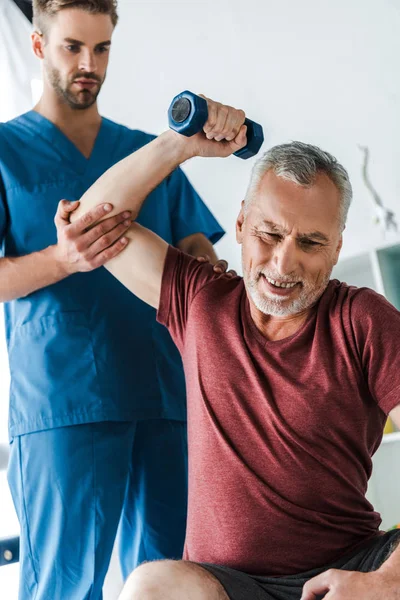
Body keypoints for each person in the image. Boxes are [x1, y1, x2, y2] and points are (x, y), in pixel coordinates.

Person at [68, 97, 400, 600]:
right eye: (269, 234)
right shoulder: (201, 301)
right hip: (225, 585)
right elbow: (89, 223)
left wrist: (384, 583)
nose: (284, 264)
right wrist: (180, 144)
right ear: (241, 224)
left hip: (349, 568)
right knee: (149, 586)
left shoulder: (362, 320)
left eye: (311, 243)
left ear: (336, 247)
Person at [0, 1, 231, 598]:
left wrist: (215, 270)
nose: (88, 64)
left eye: (101, 49)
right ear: (37, 46)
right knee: (63, 585)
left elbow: (194, 247)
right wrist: (61, 259)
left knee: (166, 583)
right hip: (63, 405)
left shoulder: (146, 154)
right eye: (73, 46)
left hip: (164, 398)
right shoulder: (6, 154)